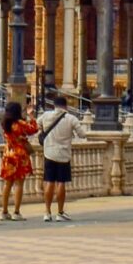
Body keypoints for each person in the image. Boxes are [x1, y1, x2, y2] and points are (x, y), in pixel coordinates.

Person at [35, 92, 80, 221]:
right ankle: (60, 212)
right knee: (61, 183)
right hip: (64, 155)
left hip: (49, 153)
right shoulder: (71, 118)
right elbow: (82, 134)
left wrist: (43, 131)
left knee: (49, 181)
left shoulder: (46, 115)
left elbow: (36, 126)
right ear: (65, 106)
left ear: (54, 106)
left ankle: (47, 212)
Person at [0, 99, 35, 221]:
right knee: (19, 183)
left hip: (8, 155)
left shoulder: (4, 124)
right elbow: (34, 129)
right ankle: (16, 212)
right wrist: (31, 115)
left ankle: (4, 211)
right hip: (20, 156)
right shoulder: (20, 124)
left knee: (7, 184)